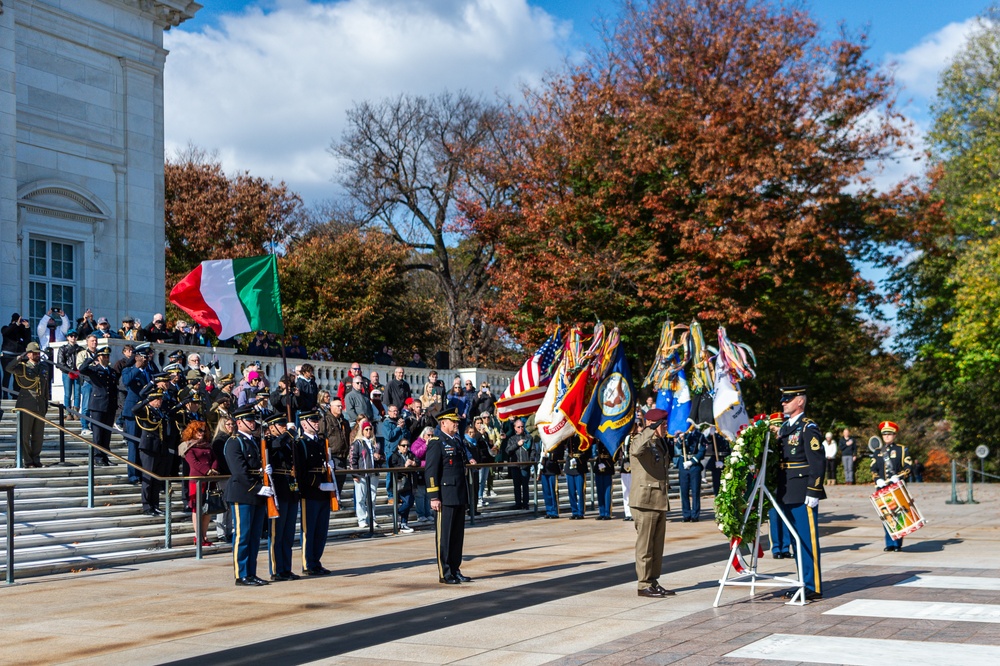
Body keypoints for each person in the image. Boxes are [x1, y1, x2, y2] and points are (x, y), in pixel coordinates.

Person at [775, 386, 826, 601]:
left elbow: (817, 461)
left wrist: (814, 490)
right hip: (786, 489)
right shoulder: (785, 427)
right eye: (783, 399)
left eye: (788, 399)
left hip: (803, 491)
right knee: (796, 541)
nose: (783, 403)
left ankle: (812, 585)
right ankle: (802, 582)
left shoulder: (808, 428)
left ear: (800, 402)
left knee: (807, 539)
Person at [425, 407, 474, 584]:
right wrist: (434, 496)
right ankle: (445, 573)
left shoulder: (456, 441)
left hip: (459, 494)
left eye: (457, 422)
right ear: (443, 423)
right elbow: (431, 471)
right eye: (453, 421)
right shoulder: (437, 442)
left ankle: (455, 568)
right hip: (445, 496)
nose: (456, 424)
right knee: (444, 537)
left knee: (457, 536)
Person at [629, 408, 675, 598]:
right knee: (645, 547)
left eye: (665, 423)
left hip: (658, 500)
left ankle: (653, 581)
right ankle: (643, 584)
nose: (665, 427)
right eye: (662, 424)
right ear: (653, 424)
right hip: (645, 501)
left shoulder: (660, 442)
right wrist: (650, 428)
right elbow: (636, 450)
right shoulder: (640, 440)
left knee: (657, 547)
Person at [224, 405, 271, 586]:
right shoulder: (235, 442)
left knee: (254, 537)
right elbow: (239, 472)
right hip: (243, 493)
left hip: (256, 494)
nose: (253, 423)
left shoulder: (253, 441)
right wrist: (258, 486)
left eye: (253, 420)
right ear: (239, 422)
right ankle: (241, 574)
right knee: (242, 536)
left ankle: (251, 572)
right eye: (249, 420)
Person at [295, 408, 334, 576]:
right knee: (309, 530)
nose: (317, 423)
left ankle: (316, 561)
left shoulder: (320, 441)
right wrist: (316, 483)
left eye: (317, 420)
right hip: (310, 491)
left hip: (323, 491)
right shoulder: (300, 443)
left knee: (321, 530)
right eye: (313, 420)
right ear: (304, 423)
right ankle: (308, 563)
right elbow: (301, 471)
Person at [262, 412, 301, 580]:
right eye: (281, 425)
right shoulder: (270, 442)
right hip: (277, 487)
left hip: (290, 487)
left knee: (288, 532)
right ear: (271, 428)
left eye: (285, 425)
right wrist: (288, 435)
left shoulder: (288, 442)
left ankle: (286, 567)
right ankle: (276, 569)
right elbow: (275, 446)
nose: (285, 428)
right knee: (277, 532)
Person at [6, 342, 51, 467]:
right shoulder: (23, 367)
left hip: (40, 404)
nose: (36, 355)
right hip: (26, 404)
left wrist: (46, 402)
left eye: (37, 353)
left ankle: (36, 459)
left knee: (38, 435)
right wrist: (20, 357)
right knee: (25, 434)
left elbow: (45, 386)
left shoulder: (43, 367)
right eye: (33, 353)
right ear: (28, 354)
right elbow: (9, 368)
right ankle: (27, 460)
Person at [871, 420, 913, 552]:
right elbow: (873, 469)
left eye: (889, 434)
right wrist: (877, 480)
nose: (887, 437)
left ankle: (897, 543)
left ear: (894, 435)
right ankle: (889, 543)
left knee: (898, 514)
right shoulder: (878, 451)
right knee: (886, 515)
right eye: (884, 435)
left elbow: (908, 467)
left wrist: (898, 477)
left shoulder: (901, 450)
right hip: (882, 488)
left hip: (896, 487)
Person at [77, 344, 119, 466]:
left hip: (110, 405)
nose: (106, 358)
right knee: (98, 433)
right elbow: (82, 369)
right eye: (103, 356)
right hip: (98, 405)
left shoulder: (111, 371)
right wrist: (92, 358)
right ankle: (98, 457)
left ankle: (105, 456)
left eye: (107, 356)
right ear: (99, 357)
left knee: (107, 433)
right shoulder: (95, 370)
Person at [180, 420, 218, 546]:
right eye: (199, 430)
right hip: (197, 481)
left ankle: (204, 535)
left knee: (207, 510)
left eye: (204, 430)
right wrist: (207, 471)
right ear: (193, 431)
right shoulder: (189, 446)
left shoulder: (207, 445)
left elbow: (214, 459)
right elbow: (193, 463)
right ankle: (198, 536)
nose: (202, 433)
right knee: (197, 509)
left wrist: (213, 470)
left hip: (209, 481)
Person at [134, 389, 168, 515]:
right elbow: (134, 410)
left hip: (159, 447)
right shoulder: (146, 410)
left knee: (157, 479)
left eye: (161, 399)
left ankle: (155, 504)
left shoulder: (160, 412)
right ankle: (147, 506)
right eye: (158, 399)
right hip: (148, 447)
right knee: (148, 478)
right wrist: (146, 400)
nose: (160, 402)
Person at [349, 419, 381, 528]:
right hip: (362, 474)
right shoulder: (357, 443)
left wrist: (379, 457)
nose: (368, 431)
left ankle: (371, 518)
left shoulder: (374, 444)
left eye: (370, 429)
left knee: (372, 498)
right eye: (366, 429)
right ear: (362, 431)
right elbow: (352, 459)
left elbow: (381, 458)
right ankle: (361, 519)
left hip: (373, 474)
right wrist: (355, 474)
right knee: (361, 498)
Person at [674, 428, 706, 522]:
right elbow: (679, 446)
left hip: (694, 465)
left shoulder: (700, 435)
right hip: (683, 463)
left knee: (695, 491)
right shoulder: (683, 434)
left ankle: (695, 515)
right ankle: (686, 514)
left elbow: (702, 451)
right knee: (684, 491)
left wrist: (692, 462)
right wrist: (680, 438)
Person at [504, 419, 535, 510]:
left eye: (522, 426)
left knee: (525, 485)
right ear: (514, 428)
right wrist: (517, 444)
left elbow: (533, 450)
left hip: (525, 465)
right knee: (516, 486)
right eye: (518, 427)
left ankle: (526, 503)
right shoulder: (512, 439)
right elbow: (508, 450)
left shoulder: (529, 437)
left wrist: (531, 460)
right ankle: (518, 503)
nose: (521, 428)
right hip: (515, 466)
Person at [389, 438, 417, 532]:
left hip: (409, 482)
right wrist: (404, 466)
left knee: (409, 501)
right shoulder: (395, 455)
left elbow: (418, 461)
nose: (406, 447)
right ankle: (397, 513)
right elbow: (393, 466)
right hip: (399, 482)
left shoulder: (410, 454)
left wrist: (413, 463)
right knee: (408, 501)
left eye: (407, 446)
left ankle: (404, 523)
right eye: (403, 446)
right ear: (398, 447)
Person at [410, 425, 434, 524]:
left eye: (432, 435)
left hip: (429, 471)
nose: (430, 437)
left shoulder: (433, 443)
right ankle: (421, 514)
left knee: (429, 494)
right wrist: (425, 445)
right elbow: (416, 455)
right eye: (428, 435)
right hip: (419, 472)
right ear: (423, 435)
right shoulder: (417, 443)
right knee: (420, 494)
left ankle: (428, 513)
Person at [56, 329, 83, 417]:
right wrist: (69, 371)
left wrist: (78, 371)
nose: (73, 338)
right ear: (67, 337)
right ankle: (68, 412)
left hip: (77, 373)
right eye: (71, 336)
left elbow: (83, 360)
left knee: (77, 393)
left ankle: (76, 412)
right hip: (67, 373)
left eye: (75, 336)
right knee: (67, 393)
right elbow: (60, 363)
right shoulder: (63, 348)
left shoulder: (80, 349)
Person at [564, 435, 590, 519]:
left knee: (580, 491)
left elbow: (588, 453)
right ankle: (574, 511)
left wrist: (579, 460)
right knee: (571, 492)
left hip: (580, 466)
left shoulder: (583, 436)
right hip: (570, 466)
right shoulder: (569, 436)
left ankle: (580, 512)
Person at [618, 418, 639, 521]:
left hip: (635, 467)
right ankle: (628, 512)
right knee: (626, 490)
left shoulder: (638, 437)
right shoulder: (624, 437)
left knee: (634, 491)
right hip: (625, 467)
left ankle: (634, 512)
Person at [703, 425, 731, 495]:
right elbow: (707, 440)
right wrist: (710, 433)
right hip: (716, 459)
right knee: (716, 483)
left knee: (727, 482)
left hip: (726, 459)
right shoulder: (715, 434)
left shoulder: (728, 433)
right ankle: (717, 498)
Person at [538, 442, 564, 518]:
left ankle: (555, 511)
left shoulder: (555, 440)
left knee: (553, 491)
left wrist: (549, 455)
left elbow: (560, 454)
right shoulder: (542, 441)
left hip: (552, 468)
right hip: (544, 469)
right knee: (546, 492)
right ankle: (549, 510)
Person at [592, 443, 616, 520]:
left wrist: (611, 462)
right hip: (599, 465)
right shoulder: (598, 439)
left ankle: (607, 513)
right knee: (600, 491)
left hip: (607, 466)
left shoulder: (609, 438)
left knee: (607, 492)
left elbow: (616, 452)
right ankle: (601, 512)